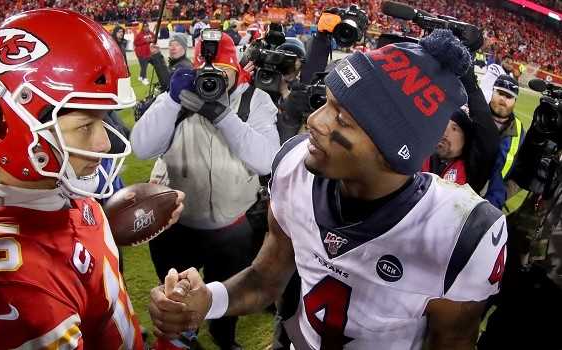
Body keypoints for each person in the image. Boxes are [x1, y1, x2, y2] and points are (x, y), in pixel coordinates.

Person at [149, 30, 508, 349]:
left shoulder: (460, 232)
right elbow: (265, 278)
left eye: (342, 119)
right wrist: (206, 300)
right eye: (327, 103)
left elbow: (451, 342)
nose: (314, 121)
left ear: (394, 151)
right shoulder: (294, 167)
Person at [0, 9, 183, 350]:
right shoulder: (5, 290)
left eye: (102, 119)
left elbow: (63, 252)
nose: (103, 143)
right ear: (16, 131)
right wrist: (170, 341)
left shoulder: (43, 181)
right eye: (85, 126)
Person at [132, 31, 280, 350]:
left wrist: (224, 117)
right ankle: (186, 337)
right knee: (177, 293)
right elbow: (141, 148)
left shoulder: (255, 99)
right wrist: (171, 101)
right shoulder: (179, 97)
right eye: (206, 73)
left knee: (226, 295)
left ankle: (223, 335)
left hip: (232, 228)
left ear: (236, 70)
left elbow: (267, 159)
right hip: (176, 225)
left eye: (221, 73)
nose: (212, 80)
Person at [422, 65, 500, 193]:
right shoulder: (422, 153)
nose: (445, 133)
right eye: (444, 125)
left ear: (466, 139)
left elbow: (488, 136)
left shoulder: (472, 169)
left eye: (454, 129)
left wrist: (471, 87)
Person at [483, 75, 525, 209]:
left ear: (515, 101)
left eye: (509, 96)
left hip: (492, 197)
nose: (503, 99)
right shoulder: (476, 114)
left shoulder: (519, 130)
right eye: (500, 93)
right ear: (493, 91)